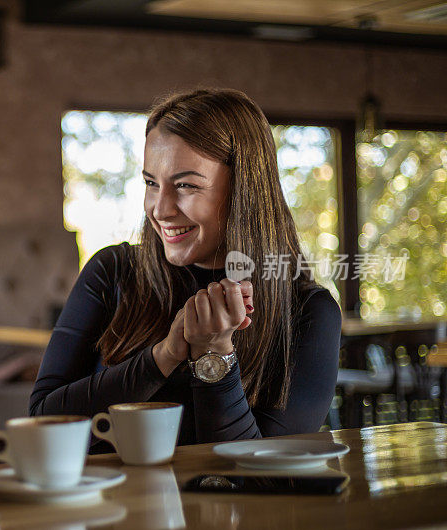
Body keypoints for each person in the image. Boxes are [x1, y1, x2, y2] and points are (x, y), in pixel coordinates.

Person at [30, 88, 341, 448]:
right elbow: (42, 418)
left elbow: (262, 471)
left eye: (185, 186)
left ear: (244, 190)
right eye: (151, 183)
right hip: (109, 504)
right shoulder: (112, 271)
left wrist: (216, 355)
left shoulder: (308, 310)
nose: (160, 209)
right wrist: (163, 356)